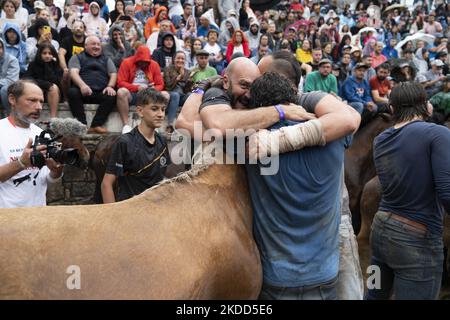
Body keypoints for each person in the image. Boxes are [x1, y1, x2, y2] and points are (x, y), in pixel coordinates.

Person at [366, 81, 450, 300]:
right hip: (416, 241)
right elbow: (447, 192)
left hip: (381, 231)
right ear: (426, 105)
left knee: (374, 296)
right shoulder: (438, 134)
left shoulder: (381, 139)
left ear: (392, 108)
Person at [0, 80, 63, 208]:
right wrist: (21, 163)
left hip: (37, 218)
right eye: (32, 100)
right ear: (12, 99)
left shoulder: (42, 134)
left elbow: (46, 179)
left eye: (41, 101)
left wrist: (55, 171)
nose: (39, 107)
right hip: (6, 219)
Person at [101, 88, 170, 203]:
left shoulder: (162, 141)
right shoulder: (125, 142)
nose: (160, 115)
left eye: (163, 110)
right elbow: (106, 184)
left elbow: (163, 180)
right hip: (130, 212)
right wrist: (113, 218)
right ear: (140, 111)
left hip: (156, 210)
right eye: (154, 109)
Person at [68, 35, 117, 134]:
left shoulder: (106, 59)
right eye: (93, 44)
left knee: (111, 95)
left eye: (98, 44)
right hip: (83, 91)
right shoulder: (77, 57)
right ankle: (81, 125)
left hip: (100, 91)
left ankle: (96, 125)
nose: (97, 46)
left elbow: (113, 73)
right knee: (72, 92)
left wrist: (110, 86)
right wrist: (82, 85)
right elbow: (73, 72)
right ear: (86, 46)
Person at [117, 45, 167, 134]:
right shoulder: (126, 62)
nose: (143, 64)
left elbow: (160, 84)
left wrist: (153, 89)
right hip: (133, 93)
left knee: (165, 95)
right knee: (121, 92)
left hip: (149, 94)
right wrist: (137, 87)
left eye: (145, 62)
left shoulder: (154, 64)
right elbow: (120, 82)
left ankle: (154, 124)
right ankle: (126, 125)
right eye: (141, 62)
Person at [23, 42, 62, 118]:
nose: (47, 56)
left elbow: (56, 81)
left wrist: (47, 66)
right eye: (44, 53)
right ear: (39, 54)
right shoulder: (33, 64)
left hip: (53, 94)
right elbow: (27, 79)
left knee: (54, 87)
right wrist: (45, 85)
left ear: (53, 55)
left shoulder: (56, 65)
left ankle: (53, 118)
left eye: (50, 53)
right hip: (37, 90)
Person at [163, 51, 193, 133]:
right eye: (178, 58)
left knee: (191, 95)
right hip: (171, 94)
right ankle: (170, 124)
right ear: (174, 59)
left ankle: (189, 123)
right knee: (175, 95)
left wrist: (189, 82)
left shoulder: (187, 72)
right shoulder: (167, 69)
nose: (180, 60)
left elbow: (187, 90)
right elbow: (168, 86)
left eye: (182, 59)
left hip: (182, 96)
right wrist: (177, 79)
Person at [0, 37, 20, 116]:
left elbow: (11, 80)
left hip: (10, 86)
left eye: (0, 47)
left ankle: (11, 115)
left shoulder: (12, 60)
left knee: (5, 90)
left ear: (3, 48)